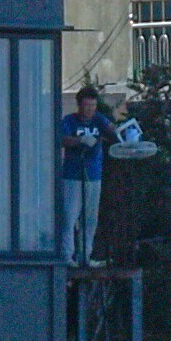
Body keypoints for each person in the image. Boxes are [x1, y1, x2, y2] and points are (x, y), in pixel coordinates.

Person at [59, 75, 111, 261]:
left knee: (90, 220)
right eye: (87, 105)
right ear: (79, 105)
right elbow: (62, 139)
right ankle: (66, 255)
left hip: (94, 175)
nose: (90, 110)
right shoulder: (70, 120)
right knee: (69, 216)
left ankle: (85, 255)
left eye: (93, 106)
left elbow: (112, 130)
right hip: (73, 175)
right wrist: (79, 140)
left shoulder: (99, 119)